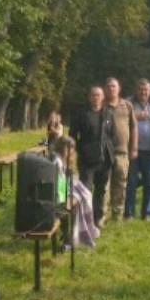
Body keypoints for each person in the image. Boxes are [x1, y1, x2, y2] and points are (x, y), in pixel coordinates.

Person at [70, 85, 115, 220]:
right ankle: (85, 219)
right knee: (86, 190)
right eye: (93, 95)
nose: (96, 97)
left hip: (105, 159)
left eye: (98, 95)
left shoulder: (108, 114)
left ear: (103, 97)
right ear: (89, 97)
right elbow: (72, 135)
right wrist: (80, 150)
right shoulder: (81, 114)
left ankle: (97, 219)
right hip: (87, 160)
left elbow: (112, 135)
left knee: (101, 191)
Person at [126, 79, 150, 220]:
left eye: (146, 90)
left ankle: (148, 213)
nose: (143, 92)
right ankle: (129, 213)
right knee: (131, 182)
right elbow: (121, 121)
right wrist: (135, 116)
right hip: (132, 150)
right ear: (136, 90)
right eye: (141, 89)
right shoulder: (128, 104)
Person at [54, 135, 100, 250]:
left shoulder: (64, 161)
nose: (71, 151)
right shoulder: (58, 162)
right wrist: (68, 198)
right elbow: (60, 188)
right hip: (56, 198)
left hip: (61, 194)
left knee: (81, 198)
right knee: (74, 203)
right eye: (69, 147)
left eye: (73, 148)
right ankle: (70, 237)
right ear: (62, 148)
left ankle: (71, 235)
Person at [102, 77, 136, 224]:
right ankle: (102, 216)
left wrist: (134, 148)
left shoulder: (127, 106)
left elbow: (134, 127)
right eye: (109, 86)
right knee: (104, 186)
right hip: (104, 153)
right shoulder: (101, 106)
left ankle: (117, 216)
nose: (111, 89)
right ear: (105, 89)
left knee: (121, 185)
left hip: (122, 152)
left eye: (114, 86)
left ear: (119, 88)